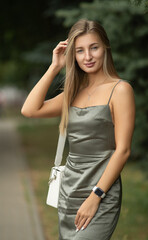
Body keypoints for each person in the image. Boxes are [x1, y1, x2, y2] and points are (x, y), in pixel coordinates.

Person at [21, 19, 135, 240]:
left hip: (101, 192)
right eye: (80, 51)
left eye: (94, 47)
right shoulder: (73, 92)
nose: (88, 57)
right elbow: (29, 110)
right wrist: (54, 66)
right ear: (72, 54)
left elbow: (123, 151)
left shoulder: (120, 90)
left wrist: (96, 196)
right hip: (69, 190)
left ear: (106, 48)